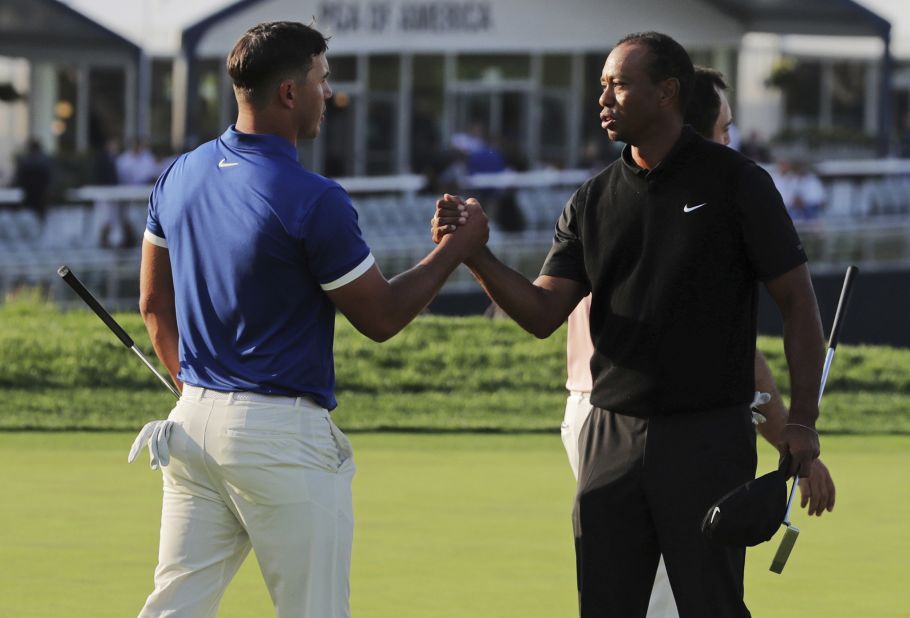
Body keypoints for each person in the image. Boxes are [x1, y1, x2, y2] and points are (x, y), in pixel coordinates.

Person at [433, 32, 826, 617]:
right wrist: (475, 254)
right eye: (602, 87)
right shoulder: (591, 200)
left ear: (667, 93)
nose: (604, 100)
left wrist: (801, 421)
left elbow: (798, 304)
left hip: (708, 436)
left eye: (618, 85)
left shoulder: (737, 182)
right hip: (610, 436)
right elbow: (544, 313)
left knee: (711, 606)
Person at [132, 21, 487, 618]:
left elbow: (151, 307)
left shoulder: (179, 173)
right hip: (277, 437)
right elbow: (380, 316)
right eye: (323, 80)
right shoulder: (312, 196)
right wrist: (458, 248)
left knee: (174, 609)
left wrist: (187, 381)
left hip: (191, 421)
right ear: (290, 94)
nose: (330, 92)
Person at [560, 66, 835, 618]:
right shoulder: (613, 196)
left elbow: (779, 315)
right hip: (625, 423)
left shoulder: (714, 188)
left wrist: (795, 427)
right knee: (660, 599)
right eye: (726, 128)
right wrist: (793, 432)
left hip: (611, 416)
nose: (730, 140)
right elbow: (735, 353)